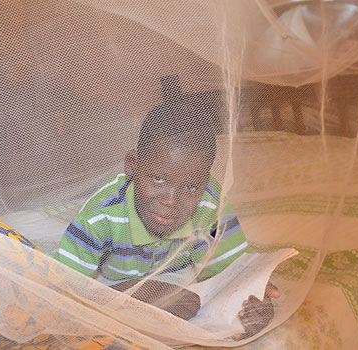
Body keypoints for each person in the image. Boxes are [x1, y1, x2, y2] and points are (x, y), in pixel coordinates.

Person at [55, 97, 278, 339]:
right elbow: (64, 288)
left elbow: (231, 270)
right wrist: (144, 293)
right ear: (132, 166)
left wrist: (251, 295)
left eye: (191, 186)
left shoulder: (210, 207)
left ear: (205, 180)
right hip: (113, 283)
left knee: (204, 306)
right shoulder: (101, 217)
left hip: (180, 277)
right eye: (158, 179)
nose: (171, 200)